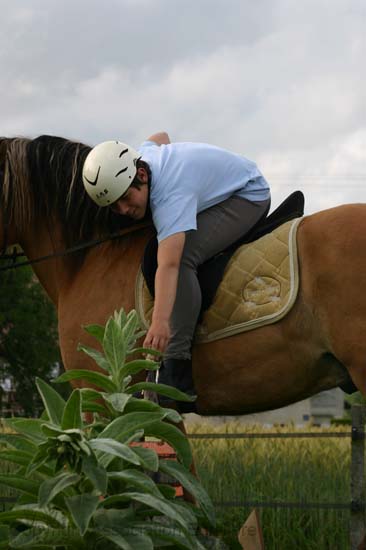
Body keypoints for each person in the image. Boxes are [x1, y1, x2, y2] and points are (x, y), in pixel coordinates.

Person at [82, 133, 271, 412]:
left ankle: (177, 367)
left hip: (248, 195)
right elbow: (159, 136)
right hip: (223, 181)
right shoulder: (144, 156)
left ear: (142, 175)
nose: (123, 210)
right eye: (114, 206)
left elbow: (169, 266)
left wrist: (160, 323)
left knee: (182, 258)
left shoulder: (170, 194)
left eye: (126, 198)